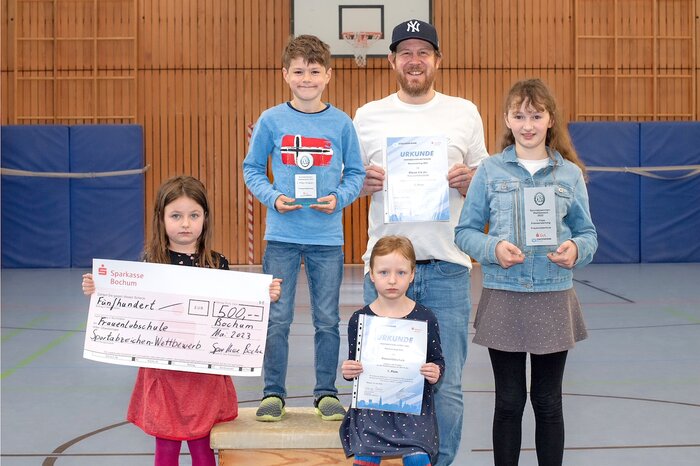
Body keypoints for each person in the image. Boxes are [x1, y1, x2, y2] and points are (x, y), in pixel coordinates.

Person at [353, 19, 489, 465]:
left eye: (423, 52)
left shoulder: (464, 112)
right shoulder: (368, 116)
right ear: (391, 60)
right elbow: (347, 182)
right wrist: (360, 185)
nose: (415, 60)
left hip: (447, 266)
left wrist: (471, 181)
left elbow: (487, 184)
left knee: (444, 382)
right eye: (405, 52)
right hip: (386, 274)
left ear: (437, 60)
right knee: (381, 376)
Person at [81, 175, 282, 466]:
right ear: (161, 219)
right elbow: (130, 306)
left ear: (205, 219)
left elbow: (234, 309)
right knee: (166, 446)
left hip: (204, 375)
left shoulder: (217, 263)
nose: (185, 223)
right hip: (164, 375)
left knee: (203, 447)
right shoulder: (149, 263)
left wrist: (264, 297)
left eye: (193, 215)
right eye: (176, 215)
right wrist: (100, 291)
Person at [454, 78, 598, 466]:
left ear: (550, 119)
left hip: (553, 295)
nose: (528, 124)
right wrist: (492, 249)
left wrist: (575, 250)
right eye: (519, 116)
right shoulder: (489, 171)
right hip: (504, 294)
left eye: (536, 115)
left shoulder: (568, 174)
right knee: (509, 401)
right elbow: (465, 232)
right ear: (507, 119)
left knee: (549, 401)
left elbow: (588, 234)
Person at [242, 34, 365, 422]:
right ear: (285, 74)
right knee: (276, 319)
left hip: (326, 239)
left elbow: (356, 174)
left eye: (314, 71)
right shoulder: (271, 120)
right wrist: (274, 197)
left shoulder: (341, 123)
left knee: (326, 319)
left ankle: (326, 392)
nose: (306, 78)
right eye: (298, 71)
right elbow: (251, 169)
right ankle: (273, 393)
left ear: (328, 74)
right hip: (281, 236)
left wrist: (340, 198)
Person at [340, 235, 444, 466]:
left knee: (418, 458)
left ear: (412, 275)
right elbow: (353, 366)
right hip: (371, 411)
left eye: (401, 273)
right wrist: (349, 371)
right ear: (372, 275)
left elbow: (437, 360)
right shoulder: (360, 320)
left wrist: (435, 371)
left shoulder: (425, 317)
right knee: (365, 456)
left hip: (413, 412)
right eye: (384, 272)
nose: (392, 280)